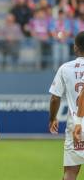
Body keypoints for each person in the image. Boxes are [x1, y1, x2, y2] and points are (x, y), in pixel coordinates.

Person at [49, 31, 84, 180]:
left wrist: (52, 118)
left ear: (75, 48)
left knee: (70, 173)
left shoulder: (65, 68)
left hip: (75, 125)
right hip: (78, 124)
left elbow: (55, 98)